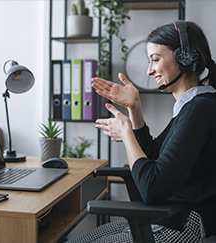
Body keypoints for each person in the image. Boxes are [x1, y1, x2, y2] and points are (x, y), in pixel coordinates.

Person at [66, 21, 216, 243]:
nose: (149, 70)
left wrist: (127, 134)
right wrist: (134, 109)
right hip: (168, 217)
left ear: (185, 58)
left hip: (182, 224)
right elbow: (155, 158)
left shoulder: (199, 109)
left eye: (155, 59)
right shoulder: (192, 106)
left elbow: (153, 187)